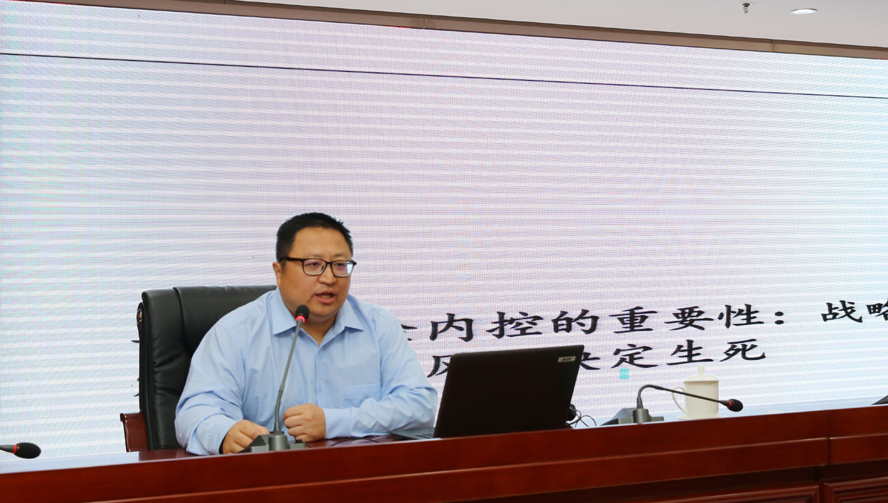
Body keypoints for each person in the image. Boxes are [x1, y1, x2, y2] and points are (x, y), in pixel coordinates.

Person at [175, 212, 437, 455]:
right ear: (279, 272)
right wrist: (225, 434)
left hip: (361, 473)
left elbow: (420, 406)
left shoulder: (379, 326)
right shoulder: (235, 334)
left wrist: (334, 422)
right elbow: (195, 414)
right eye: (313, 264)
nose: (329, 278)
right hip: (272, 478)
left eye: (340, 265)